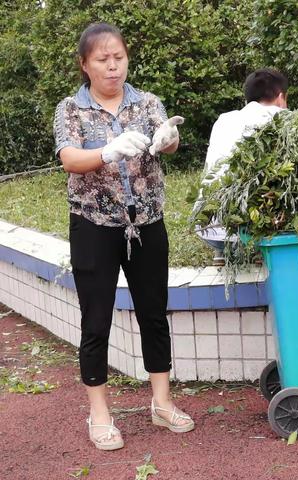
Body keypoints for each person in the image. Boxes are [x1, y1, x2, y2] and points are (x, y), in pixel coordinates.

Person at [54, 22, 194, 451]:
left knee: (154, 313)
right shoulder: (71, 110)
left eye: (118, 57)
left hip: (147, 222)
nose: (113, 67)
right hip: (94, 226)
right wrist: (106, 151)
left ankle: (162, 403)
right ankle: (99, 413)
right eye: (102, 59)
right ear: (85, 65)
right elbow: (69, 159)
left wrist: (168, 139)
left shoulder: (146, 101)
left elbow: (164, 142)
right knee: (96, 318)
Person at [195, 68, 288, 263]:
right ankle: (256, 247)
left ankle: (222, 252)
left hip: (208, 230)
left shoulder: (224, 120)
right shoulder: (281, 119)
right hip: (251, 231)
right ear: (280, 98)